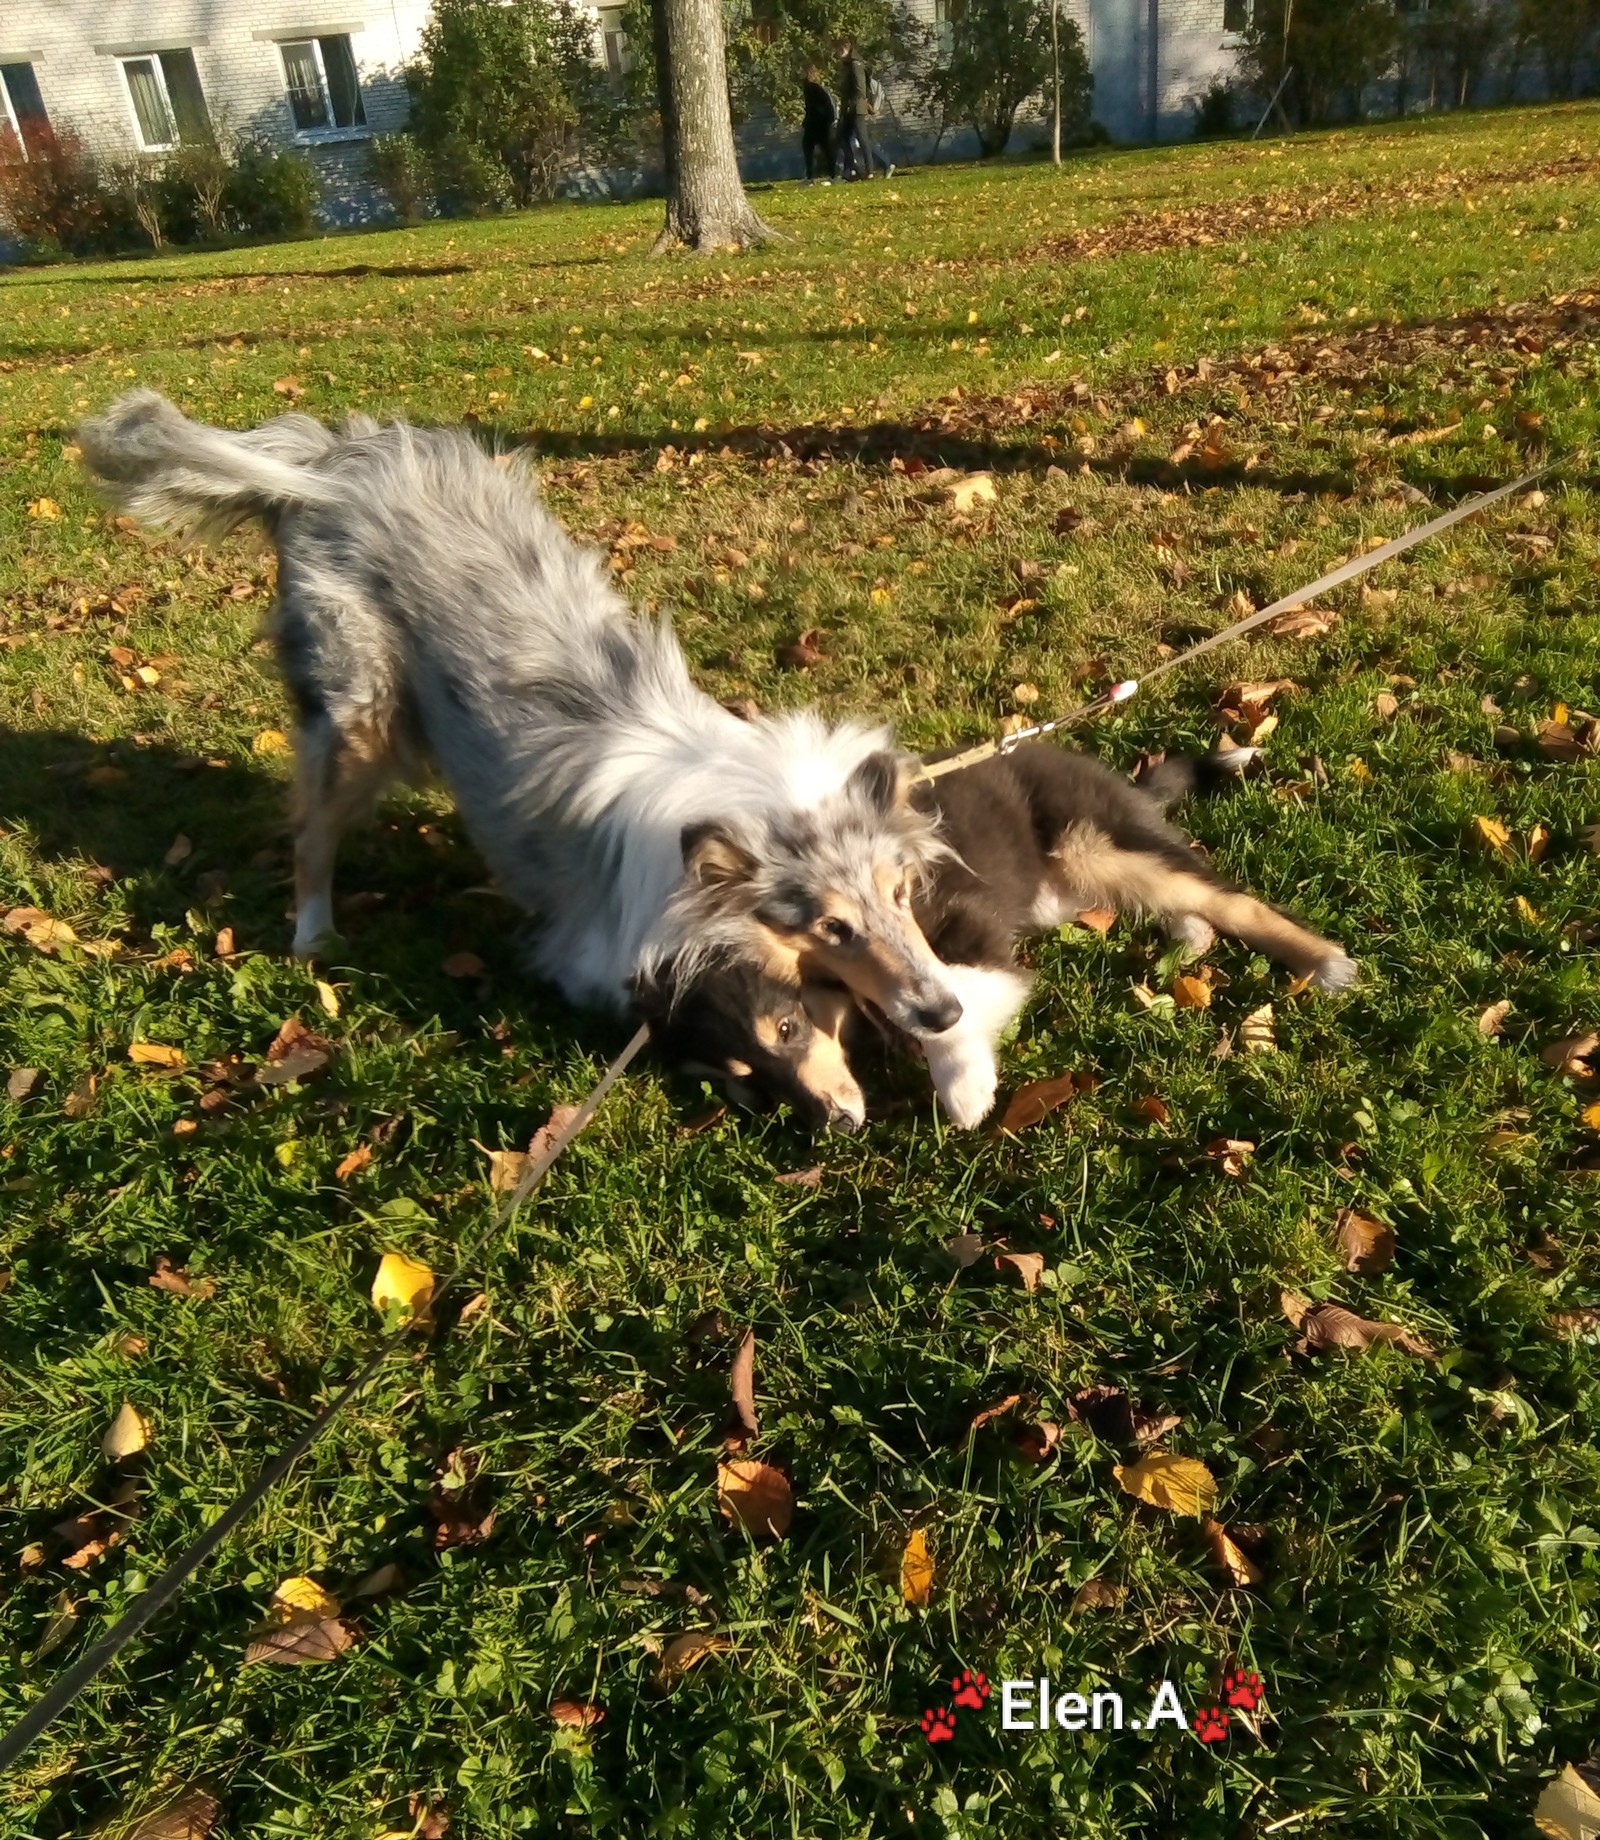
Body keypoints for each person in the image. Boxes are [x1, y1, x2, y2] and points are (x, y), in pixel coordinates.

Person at [836, 37, 873, 180]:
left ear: (847, 48)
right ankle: (852, 169)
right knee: (842, 138)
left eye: (840, 50)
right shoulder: (847, 65)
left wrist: (851, 105)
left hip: (857, 108)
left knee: (862, 138)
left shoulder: (855, 64)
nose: (838, 53)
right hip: (849, 108)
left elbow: (860, 89)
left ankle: (870, 171)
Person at [801, 63, 836, 183]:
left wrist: (809, 120)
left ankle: (813, 176)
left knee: (810, 147)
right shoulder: (816, 88)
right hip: (820, 122)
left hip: (817, 123)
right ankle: (830, 174)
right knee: (824, 149)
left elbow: (813, 107)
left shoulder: (810, 88)